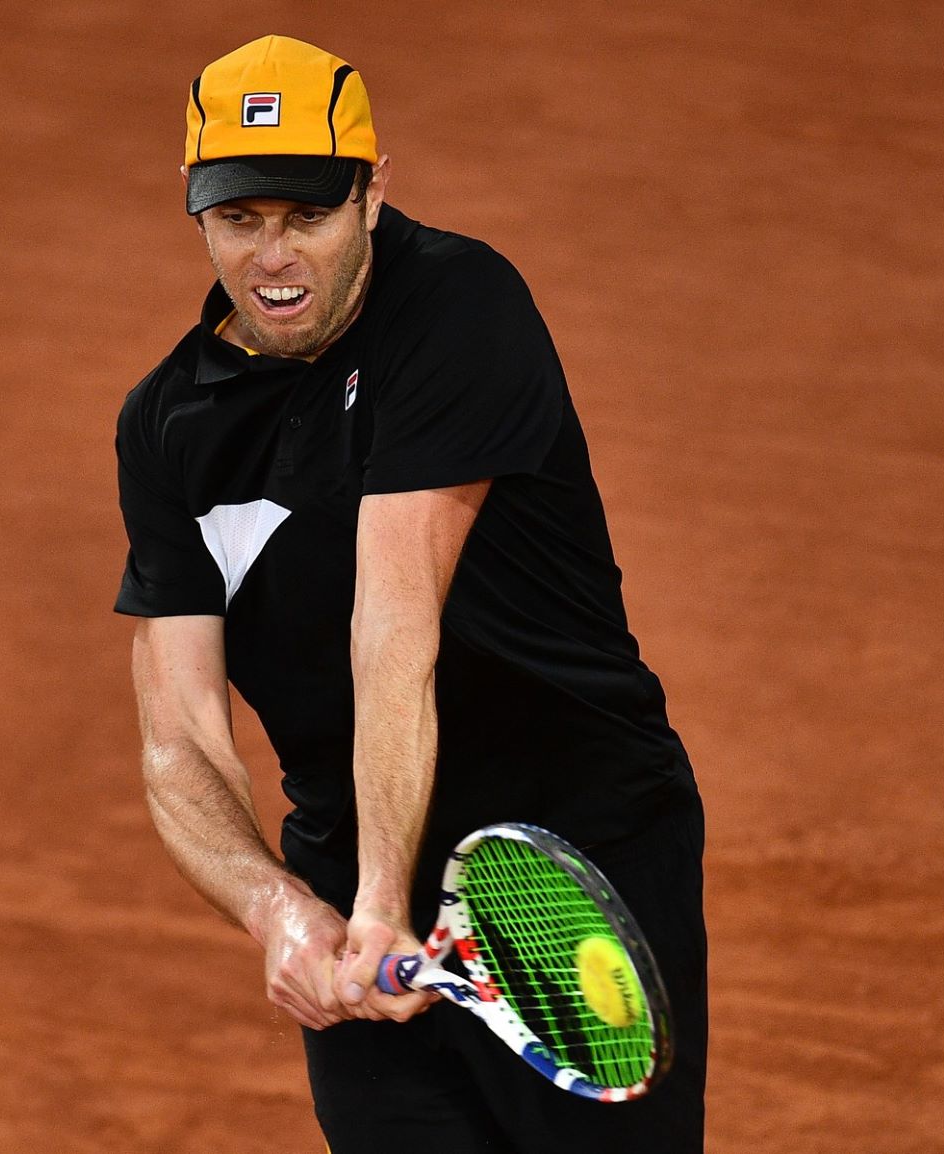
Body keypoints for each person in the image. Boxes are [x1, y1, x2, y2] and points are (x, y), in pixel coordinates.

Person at [112, 34, 707, 1154]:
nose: (273, 255)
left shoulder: (457, 306)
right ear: (195, 212)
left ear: (373, 193)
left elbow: (394, 622)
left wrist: (387, 902)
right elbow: (178, 735)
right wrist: (283, 909)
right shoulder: (165, 428)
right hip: (350, 872)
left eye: (308, 215)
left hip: (565, 857)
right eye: (239, 218)